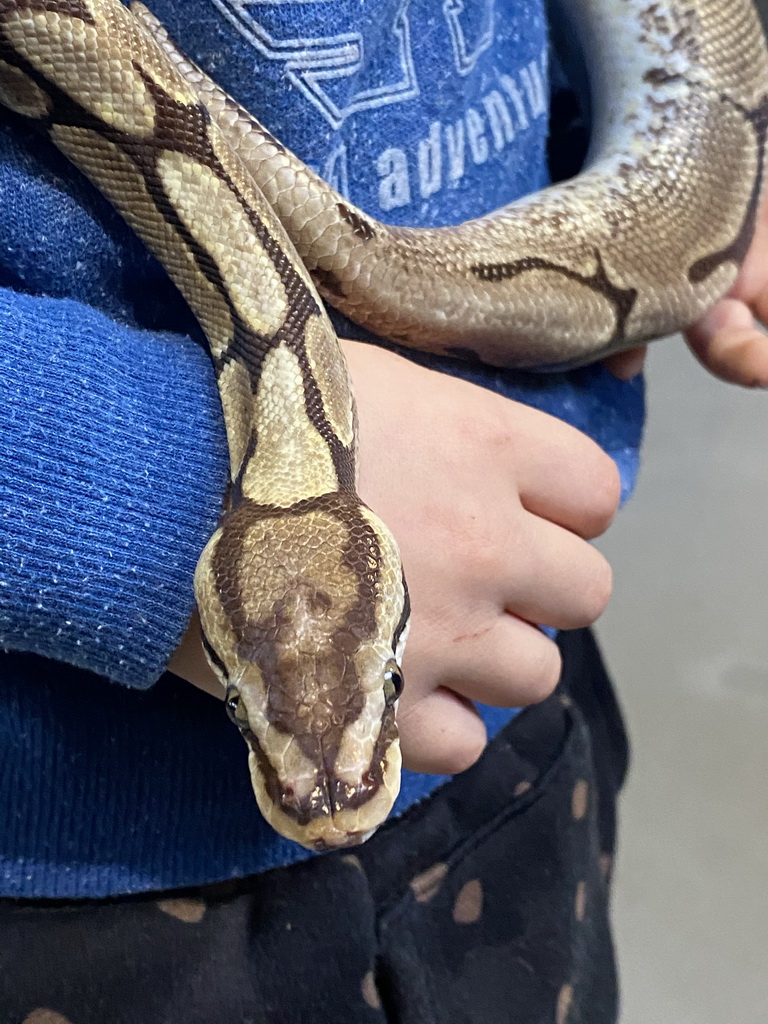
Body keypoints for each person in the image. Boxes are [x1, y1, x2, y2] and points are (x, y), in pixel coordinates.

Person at [0, 0, 765, 1021]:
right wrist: (131, 481)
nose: (333, 818)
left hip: (510, 659)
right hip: (82, 856)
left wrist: (712, 153)